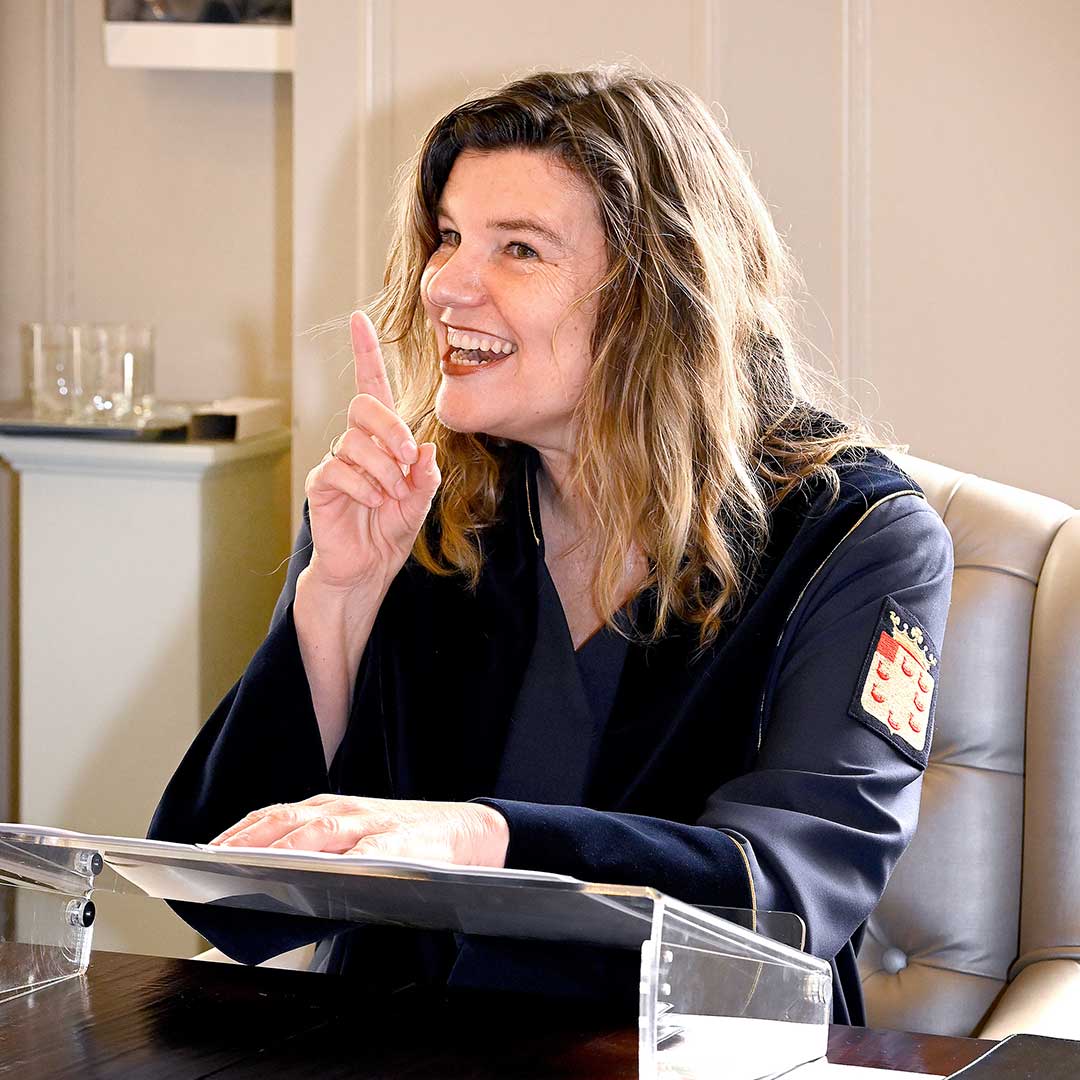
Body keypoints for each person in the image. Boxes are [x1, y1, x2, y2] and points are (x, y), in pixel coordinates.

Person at [149, 66, 953, 1024]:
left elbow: (786, 895)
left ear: (661, 291)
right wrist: (336, 606)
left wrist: (482, 840)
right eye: (448, 236)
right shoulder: (417, 504)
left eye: (519, 249)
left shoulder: (857, 536)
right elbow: (223, 895)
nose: (445, 285)